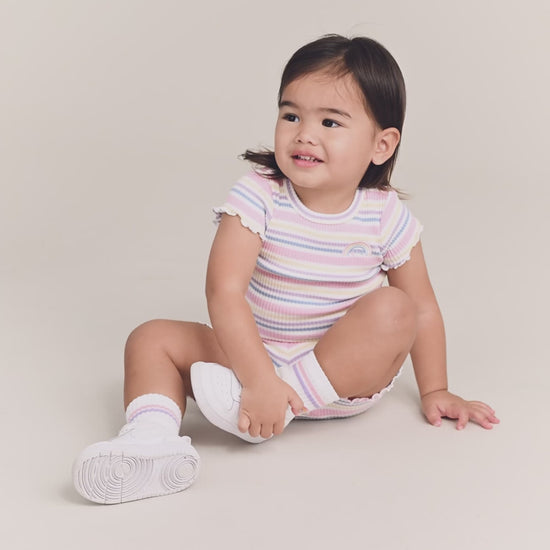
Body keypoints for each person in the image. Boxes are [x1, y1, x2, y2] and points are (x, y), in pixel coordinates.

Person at [72, 34, 499, 505]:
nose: (304, 134)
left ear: (381, 145)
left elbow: (423, 309)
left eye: (330, 122)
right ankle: (150, 441)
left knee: (395, 309)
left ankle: (284, 401)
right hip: (252, 358)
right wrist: (258, 377)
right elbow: (224, 291)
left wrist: (436, 388)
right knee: (150, 338)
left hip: (340, 378)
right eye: (291, 115)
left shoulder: (383, 215)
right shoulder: (258, 195)